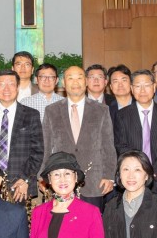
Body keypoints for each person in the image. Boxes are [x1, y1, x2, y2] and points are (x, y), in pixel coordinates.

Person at [42, 66, 117, 211]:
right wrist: (43, 176)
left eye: (79, 78)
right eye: (70, 78)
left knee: (91, 223)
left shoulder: (101, 110)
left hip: (94, 182)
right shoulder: (52, 110)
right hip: (61, 181)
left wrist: (109, 176)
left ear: (86, 81)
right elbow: (46, 146)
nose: (75, 82)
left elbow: (108, 146)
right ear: (63, 83)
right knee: (62, 222)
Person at [0, 70, 44, 203]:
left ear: (17, 88)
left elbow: (37, 152)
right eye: (1, 84)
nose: (6, 88)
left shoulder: (31, 115)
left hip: (21, 186)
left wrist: (25, 179)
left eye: (11, 84)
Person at [114, 70, 157, 199]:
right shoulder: (122, 115)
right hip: (133, 177)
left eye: (147, 85)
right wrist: (140, 169)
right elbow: (121, 146)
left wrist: (152, 171)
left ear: (154, 87)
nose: (142, 90)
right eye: (138, 86)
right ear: (132, 89)